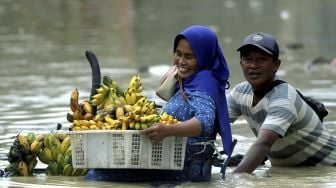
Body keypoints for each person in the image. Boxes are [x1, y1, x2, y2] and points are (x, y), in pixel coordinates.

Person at [85, 25, 233, 182]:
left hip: (186, 169)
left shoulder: (204, 83)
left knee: (95, 176)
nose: (181, 61)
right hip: (171, 162)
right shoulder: (189, 80)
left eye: (189, 57)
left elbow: (205, 122)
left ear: (204, 57)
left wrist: (168, 130)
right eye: (178, 54)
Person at [227, 32, 336, 173]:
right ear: (241, 64)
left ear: (276, 64)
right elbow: (213, 123)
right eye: (248, 59)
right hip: (295, 170)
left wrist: (233, 179)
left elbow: (263, 144)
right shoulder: (239, 93)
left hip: (328, 169)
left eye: (261, 59)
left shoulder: (282, 98)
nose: (253, 65)